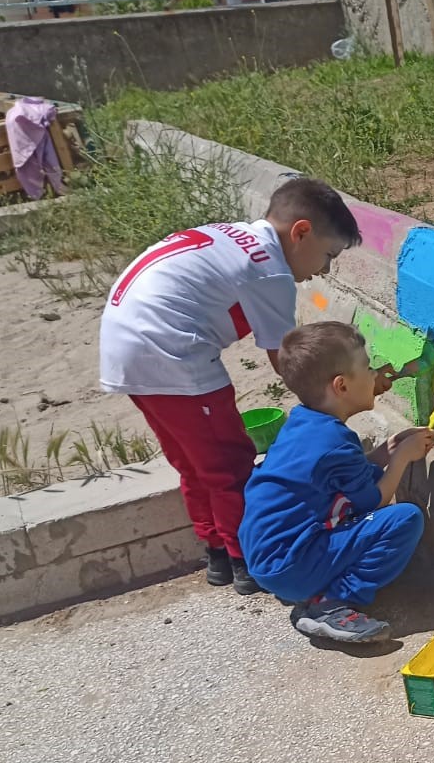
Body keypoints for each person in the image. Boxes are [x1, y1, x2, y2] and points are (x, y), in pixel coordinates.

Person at [99, 177, 360, 596]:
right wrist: (344, 399)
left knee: (193, 462)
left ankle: (217, 553)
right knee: (229, 463)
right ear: (301, 232)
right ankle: (248, 561)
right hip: (171, 353)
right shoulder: (270, 270)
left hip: (125, 347)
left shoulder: (235, 237)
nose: (323, 271)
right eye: (327, 256)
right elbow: (292, 365)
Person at [239, 322, 434, 644]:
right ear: (341, 386)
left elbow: (348, 474)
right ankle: (330, 604)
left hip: (267, 557)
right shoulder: (335, 443)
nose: (376, 375)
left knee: (365, 496)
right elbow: (374, 500)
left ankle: (312, 582)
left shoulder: (305, 421)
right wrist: (401, 459)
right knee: (404, 519)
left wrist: (386, 452)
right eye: (368, 368)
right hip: (289, 565)